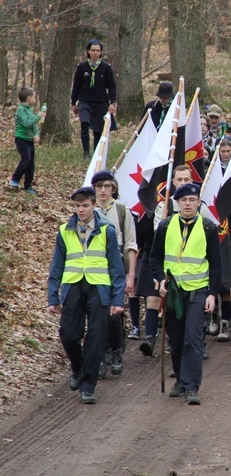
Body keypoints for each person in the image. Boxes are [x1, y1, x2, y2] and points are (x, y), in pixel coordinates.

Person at [47, 187, 125, 404]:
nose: (80, 210)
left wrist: (118, 300)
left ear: (93, 205)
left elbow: (116, 268)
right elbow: (57, 266)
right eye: (77, 206)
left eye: (85, 206)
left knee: (96, 337)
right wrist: (53, 297)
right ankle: (78, 367)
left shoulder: (107, 230)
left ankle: (88, 386)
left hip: (99, 288)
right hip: (72, 287)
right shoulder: (65, 230)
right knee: (69, 334)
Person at [150, 183, 221, 405]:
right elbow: (154, 259)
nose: (188, 204)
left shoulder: (208, 228)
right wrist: (161, 280)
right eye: (183, 200)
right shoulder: (165, 226)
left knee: (193, 337)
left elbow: (217, 264)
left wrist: (212, 294)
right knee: (177, 339)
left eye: (192, 200)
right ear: (177, 203)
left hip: (198, 290)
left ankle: (192, 387)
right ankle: (180, 380)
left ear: (198, 202)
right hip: (172, 292)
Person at [91, 170, 137, 379]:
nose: (103, 190)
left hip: (116, 270)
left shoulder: (122, 212)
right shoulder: (87, 211)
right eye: (99, 186)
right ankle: (100, 355)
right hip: (93, 270)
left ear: (114, 188)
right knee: (96, 316)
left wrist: (130, 275)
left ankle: (116, 350)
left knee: (114, 314)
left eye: (107, 186)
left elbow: (130, 244)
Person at [71, 39, 117, 159]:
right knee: (85, 123)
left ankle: (97, 153)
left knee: (98, 130)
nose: (95, 53)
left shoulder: (106, 67)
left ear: (101, 52)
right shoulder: (82, 67)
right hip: (85, 101)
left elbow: (112, 86)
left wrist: (113, 102)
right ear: (88, 51)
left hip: (101, 102)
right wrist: (73, 102)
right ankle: (86, 152)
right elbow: (76, 85)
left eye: (98, 50)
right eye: (93, 50)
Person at [10, 87, 45, 195]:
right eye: (34, 96)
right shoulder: (21, 110)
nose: (35, 98)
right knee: (26, 159)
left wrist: (36, 134)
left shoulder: (29, 109)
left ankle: (27, 186)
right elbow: (26, 123)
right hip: (21, 139)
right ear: (29, 98)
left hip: (29, 140)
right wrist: (38, 116)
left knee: (31, 164)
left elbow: (33, 125)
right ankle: (15, 180)